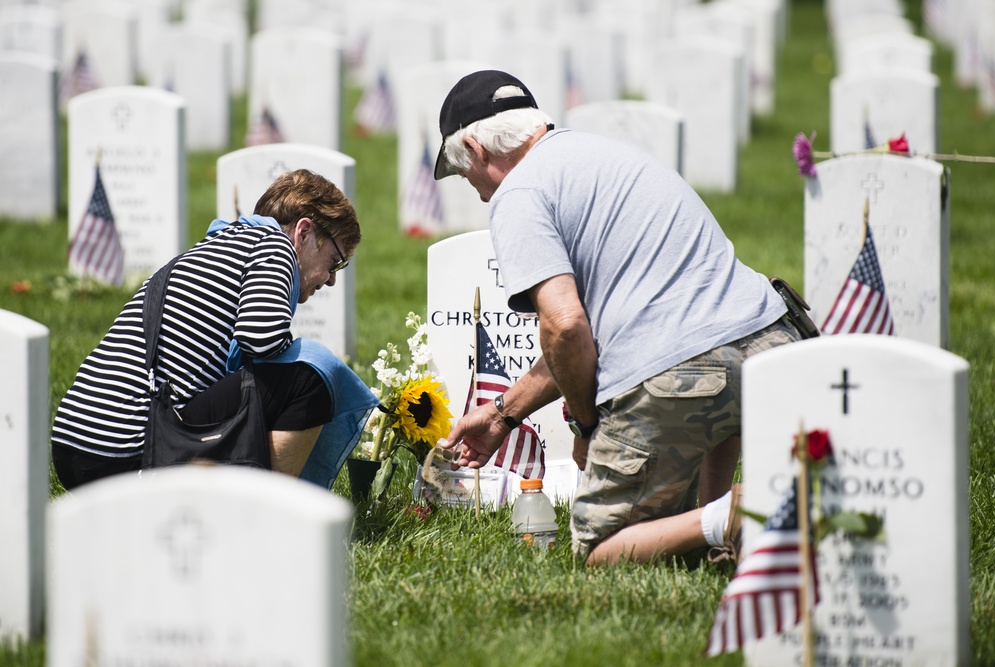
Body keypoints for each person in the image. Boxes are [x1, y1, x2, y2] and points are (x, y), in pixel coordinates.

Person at [436, 70, 802, 565]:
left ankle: (735, 512)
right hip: (772, 341)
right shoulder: (604, 154)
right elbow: (584, 330)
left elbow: (564, 327)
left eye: (465, 175)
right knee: (718, 393)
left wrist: (588, 428)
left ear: (477, 152)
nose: (477, 193)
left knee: (601, 549)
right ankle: (723, 538)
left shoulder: (517, 194)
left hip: (682, 371)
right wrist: (504, 414)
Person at [51, 169, 378, 490]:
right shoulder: (274, 246)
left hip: (73, 447)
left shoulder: (216, 244)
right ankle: (273, 515)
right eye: (334, 261)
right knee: (311, 373)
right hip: (131, 453)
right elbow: (260, 338)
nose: (332, 278)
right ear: (303, 232)